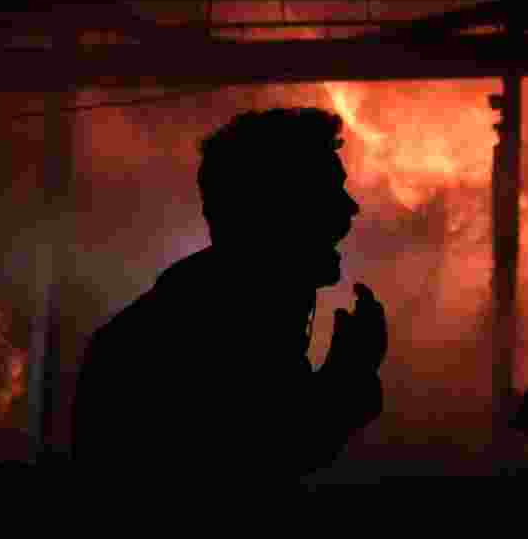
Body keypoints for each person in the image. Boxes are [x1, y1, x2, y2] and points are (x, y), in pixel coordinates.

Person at [72, 108, 387, 480]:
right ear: (273, 209)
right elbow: (264, 459)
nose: (350, 207)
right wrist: (349, 377)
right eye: (326, 191)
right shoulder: (186, 341)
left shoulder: (218, 321)